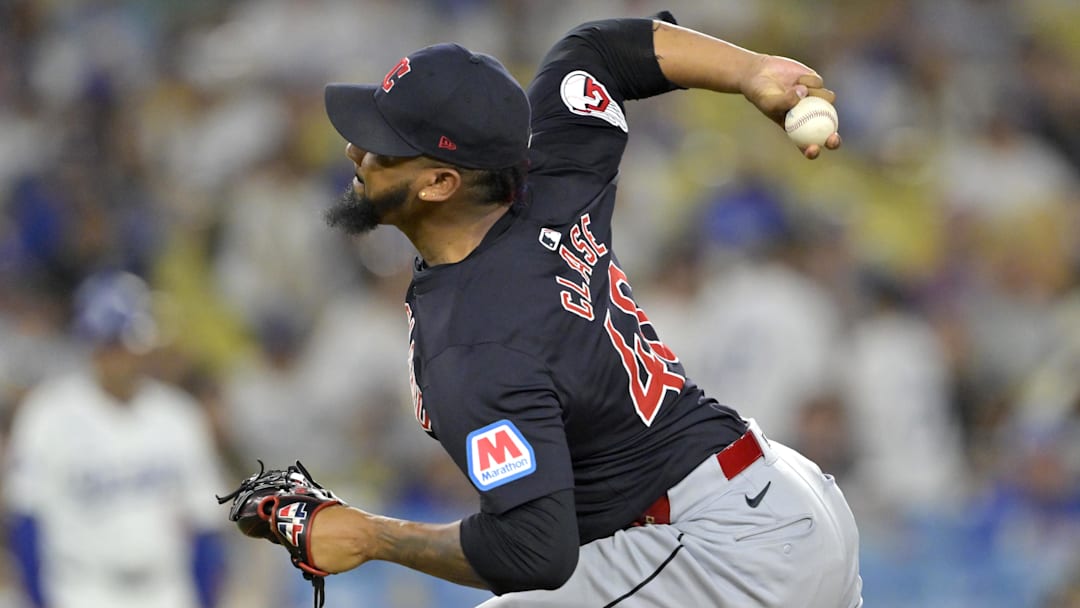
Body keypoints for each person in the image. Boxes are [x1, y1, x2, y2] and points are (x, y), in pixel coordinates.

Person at [275, 11, 860, 607]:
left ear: (441, 183)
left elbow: (535, 553)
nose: (354, 150)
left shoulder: (479, 343)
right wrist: (751, 70)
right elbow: (600, 52)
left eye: (382, 148)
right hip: (780, 497)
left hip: (722, 548)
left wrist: (375, 536)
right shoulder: (550, 170)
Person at [2, 271, 228, 608]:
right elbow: (26, 522)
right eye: (109, 343)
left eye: (126, 343)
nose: (119, 355)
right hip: (81, 590)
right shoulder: (48, 414)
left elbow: (205, 525)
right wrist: (39, 598)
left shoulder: (178, 416)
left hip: (165, 589)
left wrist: (205, 599)